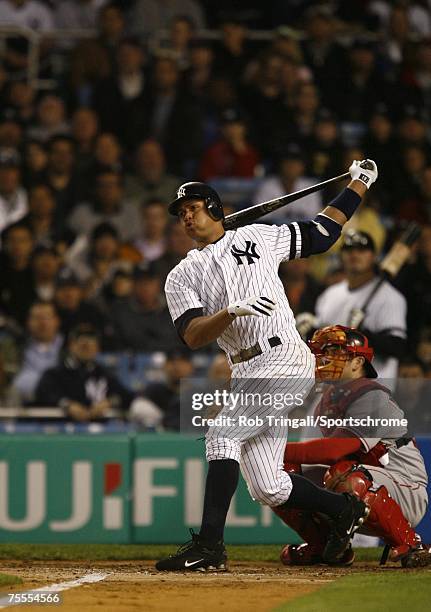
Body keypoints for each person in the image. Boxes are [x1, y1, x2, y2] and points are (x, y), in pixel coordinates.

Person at [156, 158, 378, 571]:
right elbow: (192, 335)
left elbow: (322, 233)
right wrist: (229, 313)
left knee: (221, 436)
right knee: (268, 486)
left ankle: (209, 547)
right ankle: (345, 509)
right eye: (181, 213)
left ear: (216, 208)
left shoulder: (258, 237)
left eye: (194, 208)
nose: (186, 217)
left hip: (283, 357)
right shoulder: (180, 276)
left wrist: (360, 183)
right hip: (245, 369)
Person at [277, 325, 431, 569]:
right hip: (364, 484)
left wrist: (271, 449)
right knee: (278, 473)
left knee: (344, 472)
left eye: (336, 352)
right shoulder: (330, 398)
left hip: (404, 488)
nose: (326, 358)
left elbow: (333, 451)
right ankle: (324, 546)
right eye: (323, 352)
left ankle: (412, 544)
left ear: (358, 362)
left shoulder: (372, 396)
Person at [310, 230, 407, 380]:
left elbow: (397, 347)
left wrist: (362, 335)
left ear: (373, 256)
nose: (354, 255)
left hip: (373, 387)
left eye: (362, 250)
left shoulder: (390, 297)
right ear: (341, 256)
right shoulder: (329, 294)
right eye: (349, 250)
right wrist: (309, 331)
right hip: (333, 387)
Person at [35, 323, 134, 422]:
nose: (87, 349)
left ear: (97, 349)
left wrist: (109, 402)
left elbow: (126, 396)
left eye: (91, 345)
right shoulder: (54, 374)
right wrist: (67, 405)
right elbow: (44, 394)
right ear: (71, 346)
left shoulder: (103, 374)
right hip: (63, 430)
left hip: (98, 431)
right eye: (83, 346)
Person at [13, 300, 62, 403]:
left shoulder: (69, 349)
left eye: (47, 317)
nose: (42, 323)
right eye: (37, 318)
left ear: (57, 321)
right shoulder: (16, 348)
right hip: (20, 407)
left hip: (61, 408)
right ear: (28, 322)